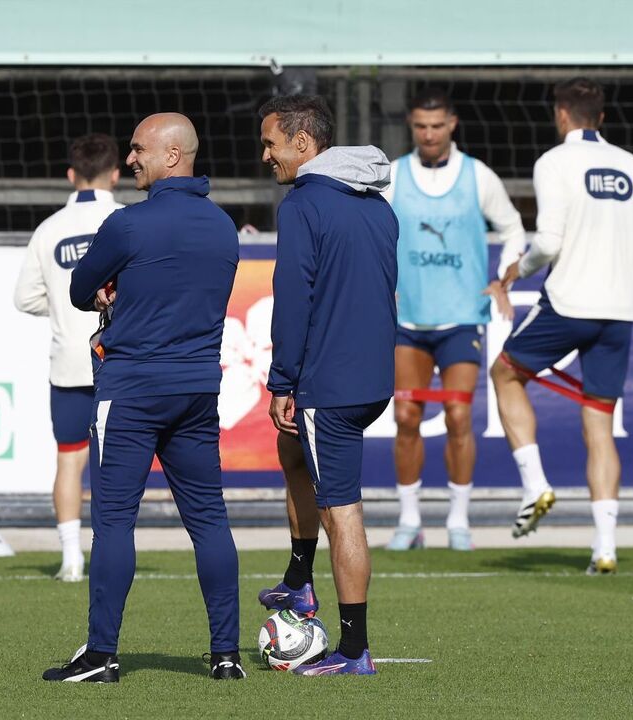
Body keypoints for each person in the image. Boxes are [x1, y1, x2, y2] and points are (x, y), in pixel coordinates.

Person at [42, 113, 242, 682]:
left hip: (131, 389)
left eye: (139, 150)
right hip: (198, 389)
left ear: (173, 156)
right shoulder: (223, 227)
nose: (130, 159)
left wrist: (116, 291)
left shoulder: (128, 225)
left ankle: (101, 654)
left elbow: (82, 290)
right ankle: (225, 656)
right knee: (208, 520)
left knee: (112, 523)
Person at [493, 77, 633, 574]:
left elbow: (547, 241)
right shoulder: (631, 165)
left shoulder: (554, 161)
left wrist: (516, 270)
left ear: (561, 115)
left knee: (504, 375)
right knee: (600, 422)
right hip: (621, 309)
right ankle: (605, 548)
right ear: (601, 117)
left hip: (570, 303)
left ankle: (534, 484)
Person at [257, 95, 398, 675]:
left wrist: (282, 380)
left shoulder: (303, 206)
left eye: (270, 143)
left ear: (303, 143)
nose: (265, 155)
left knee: (343, 511)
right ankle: (297, 580)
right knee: (293, 451)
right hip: (370, 378)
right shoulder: (378, 205)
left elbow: (294, 299)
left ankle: (353, 649)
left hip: (329, 382)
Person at [381, 88, 526, 552]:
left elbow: (513, 228)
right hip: (409, 321)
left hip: (462, 319)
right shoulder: (393, 176)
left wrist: (504, 278)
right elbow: (368, 231)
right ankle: (410, 521)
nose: (428, 134)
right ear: (411, 125)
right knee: (406, 416)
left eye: (437, 125)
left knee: (460, 415)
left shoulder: (477, 176)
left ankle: (459, 520)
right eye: (421, 126)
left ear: (452, 124)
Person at [14, 133, 123, 581]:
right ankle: (111, 554)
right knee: (113, 463)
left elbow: (24, 298)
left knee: (68, 458)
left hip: (68, 365)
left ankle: (71, 559)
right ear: (116, 173)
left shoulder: (49, 228)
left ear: (70, 174)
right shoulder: (125, 218)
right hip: (116, 360)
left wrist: (62, 304)